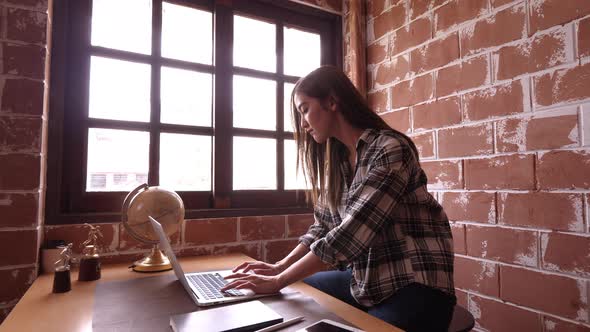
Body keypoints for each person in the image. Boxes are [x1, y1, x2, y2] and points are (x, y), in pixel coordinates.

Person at [222, 66, 456, 331]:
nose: (303, 124)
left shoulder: (390, 149)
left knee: (289, 288)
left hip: (415, 286)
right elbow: (322, 227)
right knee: (296, 293)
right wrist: (279, 267)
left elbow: (351, 235)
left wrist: (280, 280)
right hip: (367, 282)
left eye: (304, 109)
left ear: (332, 101)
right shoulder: (339, 162)